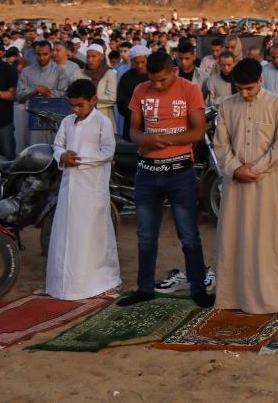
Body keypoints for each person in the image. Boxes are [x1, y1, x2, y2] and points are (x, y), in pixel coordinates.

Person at [118, 50, 213, 308]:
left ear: (174, 71)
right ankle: (145, 288)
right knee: (145, 236)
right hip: (147, 173)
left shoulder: (190, 90)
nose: (157, 85)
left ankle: (198, 288)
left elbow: (198, 131)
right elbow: (133, 130)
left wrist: (165, 140)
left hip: (179, 172)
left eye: (162, 80)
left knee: (189, 235)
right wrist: (145, 139)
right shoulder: (140, 90)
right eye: (153, 80)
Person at [212, 57, 278, 314]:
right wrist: (236, 169)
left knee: (268, 238)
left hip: (267, 183)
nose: (245, 93)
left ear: (261, 80)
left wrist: (255, 169)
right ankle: (232, 298)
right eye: (239, 89)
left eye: (250, 88)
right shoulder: (226, 106)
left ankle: (272, 296)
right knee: (234, 238)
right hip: (236, 184)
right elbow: (221, 145)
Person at [46, 78, 120, 300]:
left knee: (93, 235)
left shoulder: (102, 122)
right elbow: (57, 146)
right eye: (72, 105)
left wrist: (79, 159)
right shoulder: (67, 122)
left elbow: (107, 151)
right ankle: (63, 285)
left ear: (94, 101)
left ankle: (102, 281)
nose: (75, 109)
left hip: (92, 188)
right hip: (70, 188)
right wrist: (62, 156)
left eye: (80, 105)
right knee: (66, 234)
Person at [116, 46, 149, 140]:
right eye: (136, 62)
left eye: (143, 62)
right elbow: (121, 101)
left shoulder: (154, 76)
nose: (140, 65)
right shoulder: (126, 77)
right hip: (131, 121)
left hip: (152, 123)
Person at [81, 44, 118, 125]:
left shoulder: (110, 73)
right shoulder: (80, 73)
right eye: (88, 56)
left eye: (94, 56)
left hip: (104, 116)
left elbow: (112, 98)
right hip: (83, 116)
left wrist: (90, 99)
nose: (90, 59)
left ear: (102, 57)